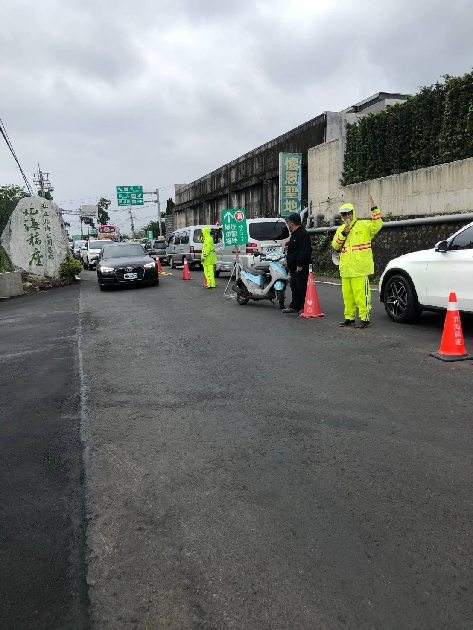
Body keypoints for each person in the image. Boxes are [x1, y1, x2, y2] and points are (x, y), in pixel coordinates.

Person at [332, 194, 382, 328]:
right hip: (346, 268)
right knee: (348, 296)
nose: (346, 216)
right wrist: (343, 234)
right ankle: (349, 317)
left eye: (348, 213)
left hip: (360, 268)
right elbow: (335, 245)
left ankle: (365, 318)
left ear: (353, 213)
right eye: (344, 214)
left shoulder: (364, 225)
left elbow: (377, 225)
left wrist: (374, 209)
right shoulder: (340, 229)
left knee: (362, 295)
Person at [282, 212, 312, 314]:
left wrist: (300, 264)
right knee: (294, 286)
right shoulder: (294, 234)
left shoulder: (302, 234)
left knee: (302, 287)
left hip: (300, 267)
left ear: (291, 223)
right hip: (293, 266)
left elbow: (305, 251)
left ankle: (304, 306)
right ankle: (295, 305)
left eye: (289, 222)